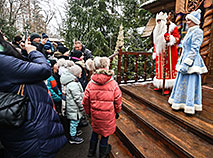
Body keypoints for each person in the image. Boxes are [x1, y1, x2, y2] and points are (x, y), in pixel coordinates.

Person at [0, 32, 67, 157]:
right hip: (32, 130)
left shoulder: (5, 61)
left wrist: (25, 52)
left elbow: (22, 69)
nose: (5, 37)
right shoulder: (2, 61)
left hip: (25, 128)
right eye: (2, 35)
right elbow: (43, 69)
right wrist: (33, 52)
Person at [168, 9, 208, 114]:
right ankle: (179, 102)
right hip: (184, 58)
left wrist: (187, 63)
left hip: (192, 61)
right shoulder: (190, 31)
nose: (187, 22)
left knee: (190, 82)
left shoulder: (198, 31)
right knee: (182, 81)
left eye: (189, 20)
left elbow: (194, 49)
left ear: (195, 21)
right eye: (187, 20)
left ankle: (189, 105)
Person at [82, 57, 122, 158]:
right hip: (108, 115)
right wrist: (117, 111)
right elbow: (118, 100)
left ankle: (91, 152)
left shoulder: (91, 83)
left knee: (95, 132)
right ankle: (102, 154)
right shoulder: (113, 83)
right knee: (105, 134)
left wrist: (88, 113)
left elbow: (85, 101)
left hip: (95, 114)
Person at [152, 12, 180, 94]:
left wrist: (170, 38)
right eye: (157, 21)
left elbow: (177, 38)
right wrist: (154, 52)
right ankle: (160, 85)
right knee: (159, 69)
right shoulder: (156, 30)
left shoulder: (172, 27)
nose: (159, 23)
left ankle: (168, 86)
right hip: (160, 54)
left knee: (168, 69)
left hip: (170, 53)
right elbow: (155, 42)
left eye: (160, 21)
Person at [60, 64, 85, 144]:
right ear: (76, 74)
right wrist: (82, 107)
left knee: (74, 122)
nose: (81, 74)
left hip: (71, 107)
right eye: (80, 73)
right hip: (74, 108)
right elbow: (77, 98)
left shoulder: (70, 82)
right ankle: (72, 137)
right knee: (74, 122)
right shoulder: (73, 84)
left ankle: (73, 132)